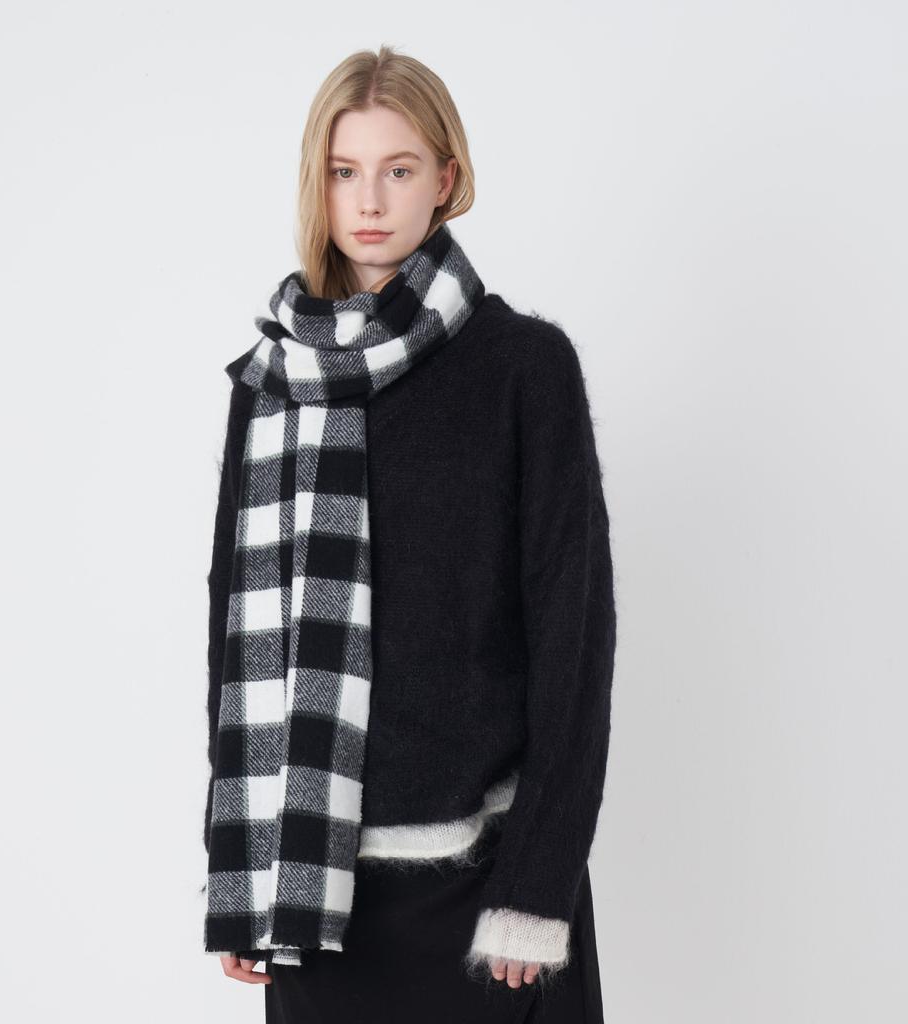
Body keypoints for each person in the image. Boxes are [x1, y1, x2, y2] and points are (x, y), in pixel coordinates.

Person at [201, 44, 617, 1024]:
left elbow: (574, 639)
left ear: (446, 178)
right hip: (316, 894)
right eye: (344, 171)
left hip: (488, 898)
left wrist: (538, 883)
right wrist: (240, 872)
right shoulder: (273, 384)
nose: (369, 200)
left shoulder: (522, 368)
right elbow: (235, 642)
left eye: (398, 169)